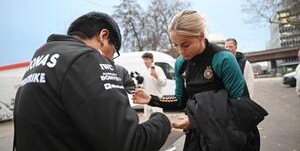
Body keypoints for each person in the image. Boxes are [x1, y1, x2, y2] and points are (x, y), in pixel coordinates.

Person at [13, 12, 171, 151]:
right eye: (114, 51)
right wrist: (162, 121)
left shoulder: (40, 58)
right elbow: (129, 143)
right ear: (103, 36)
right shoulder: (87, 58)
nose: (111, 59)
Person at [133, 9, 265, 150]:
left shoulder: (223, 59)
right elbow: (180, 99)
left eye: (185, 45)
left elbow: (241, 105)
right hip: (199, 135)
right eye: (176, 45)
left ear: (201, 36)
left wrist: (196, 119)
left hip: (230, 135)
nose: (181, 51)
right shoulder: (180, 63)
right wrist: (151, 99)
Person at [141, 52, 167, 119]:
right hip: (147, 101)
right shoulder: (143, 72)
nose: (145, 61)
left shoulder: (158, 69)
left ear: (151, 59)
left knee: (159, 121)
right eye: (144, 59)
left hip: (157, 100)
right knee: (148, 121)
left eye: (147, 59)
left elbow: (164, 83)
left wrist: (156, 76)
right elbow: (143, 86)